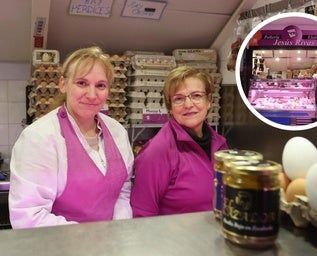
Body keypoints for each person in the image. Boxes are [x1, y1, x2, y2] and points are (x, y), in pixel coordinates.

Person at [9, 46, 134, 228]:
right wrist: (89, 239)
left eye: (100, 85)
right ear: (63, 84)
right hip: (59, 246)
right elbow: (29, 216)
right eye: (82, 83)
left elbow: (122, 191)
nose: (92, 95)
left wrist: (117, 233)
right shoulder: (40, 137)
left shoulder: (118, 133)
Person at [130, 66, 228, 217]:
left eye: (196, 96)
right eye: (179, 99)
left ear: (209, 101)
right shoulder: (157, 151)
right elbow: (142, 215)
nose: (188, 105)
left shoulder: (220, 144)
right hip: (176, 239)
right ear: (170, 108)